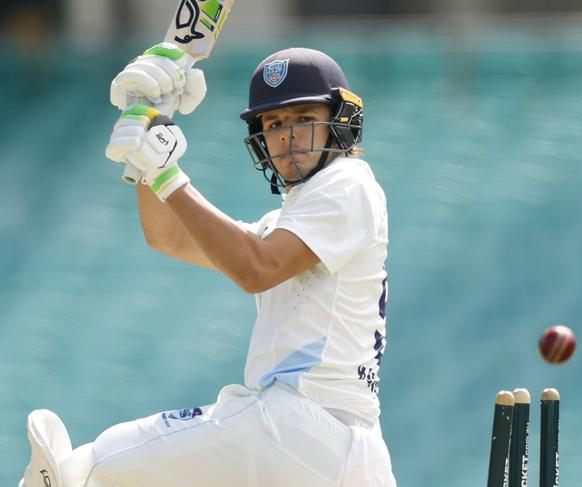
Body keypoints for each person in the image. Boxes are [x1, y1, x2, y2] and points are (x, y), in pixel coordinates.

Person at [18, 46, 395, 487]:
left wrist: (167, 175)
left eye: (303, 117)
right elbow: (170, 237)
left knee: (96, 464)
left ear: (341, 120)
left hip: (301, 425)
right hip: (340, 455)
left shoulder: (347, 182)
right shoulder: (289, 224)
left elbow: (256, 268)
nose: (288, 135)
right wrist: (150, 145)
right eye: (274, 124)